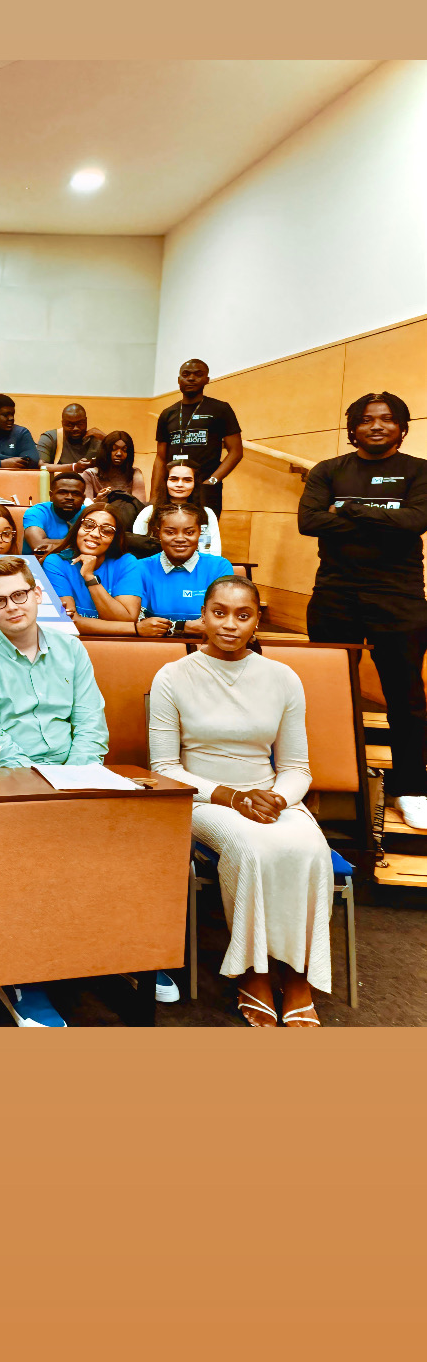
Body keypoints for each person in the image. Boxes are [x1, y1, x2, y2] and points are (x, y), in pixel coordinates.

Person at [149, 577, 333, 1025]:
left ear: (257, 622)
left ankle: (298, 976)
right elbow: (164, 768)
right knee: (252, 849)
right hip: (203, 799)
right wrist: (233, 797)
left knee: (311, 848)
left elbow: (297, 768)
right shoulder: (172, 676)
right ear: (203, 616)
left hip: (270, 796)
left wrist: (276, 799)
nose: (229, 624)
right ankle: (254, 972)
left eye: (242, 615)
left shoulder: (282, 677)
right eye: (219, 613)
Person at [0, 555, 110, 1026]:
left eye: (19, 594)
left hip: (72, 776)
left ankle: (123, 951)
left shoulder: (71, 649)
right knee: (29, 851)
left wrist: (73, 779)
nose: (12, 606)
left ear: (37, 594)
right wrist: (47, 787)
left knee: (129, 839)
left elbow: (92, 725)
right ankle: (23, 975)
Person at [300, 390, 427, 830]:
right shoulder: (329, 470)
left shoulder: (419, 471)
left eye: (387, 419)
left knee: (406, 699)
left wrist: (349, 509)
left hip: (400, 597)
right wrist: (384, 520)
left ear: (402, 427)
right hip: (336, 595)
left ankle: (411, 787)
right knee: (328, 694)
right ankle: (328, 779)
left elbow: (415, 521)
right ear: (353, 427)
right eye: (367, 419)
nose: (377, 426)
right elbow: (309, 521)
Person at [152, 358, 242, 515]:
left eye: (198, 374)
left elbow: (236, 451)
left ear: (207, 379)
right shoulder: (167, 414)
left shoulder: (220, 409)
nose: (191, 378)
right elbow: (160, 458)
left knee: (203, 530)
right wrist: (154, 496)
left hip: (205, 489)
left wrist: (212, 481)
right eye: (186, 374)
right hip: (173, 488)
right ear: (179, 380)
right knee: (170, 528)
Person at [133, 505, 233, 638]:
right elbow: (141, 622)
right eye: (170, 532)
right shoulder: (140, 567)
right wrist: (183, 627)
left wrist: (173, 627)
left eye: (189, 532)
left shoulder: (219, 567)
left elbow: (222, 620)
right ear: (158, 533)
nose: (180, 538)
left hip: (205, 645)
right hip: (154, 646)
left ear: (199, 533)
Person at [44, 501, 143, 629]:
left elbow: (127, 619)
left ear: (115, 538)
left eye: (106, 531)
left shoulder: (126, 563)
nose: (95, 534)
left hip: (117, 641)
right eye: (88, 525)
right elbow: (68, 621)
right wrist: (135, 629)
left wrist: (90, 577)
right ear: (77, 528)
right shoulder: (55, 562)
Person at [132, 458, 224, 557]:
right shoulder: (149, 512)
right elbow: (137, 548)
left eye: (187, 480)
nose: (180, 485)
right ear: (165, 482)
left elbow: (214, 553)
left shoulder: (207, 513)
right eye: (174, 479)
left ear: (195, 484)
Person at [20, 471, 88, 561]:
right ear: (51, 495)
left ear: (83, 498)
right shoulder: (37, 512)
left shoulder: (88, 513)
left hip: (77, 565)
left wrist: (53, 545)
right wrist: (81, 542)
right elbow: (39, 546)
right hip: (37, 565)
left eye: (76, 494)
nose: (69, 497)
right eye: (62, 492)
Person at [83, 430, 147, 521]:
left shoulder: (135, 473)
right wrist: (97, 501)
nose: (119, 454)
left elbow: (139, 507)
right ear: (105, 450)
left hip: (128, 521)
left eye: (124, 450)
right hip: (98, 520)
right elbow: (86, 508)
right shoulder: (89, 474)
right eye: (114, 449)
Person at [36, 403, 104, 472]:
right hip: (60, 478)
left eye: (80, 424)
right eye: (70, 425)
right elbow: (42, 465)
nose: (75, 428)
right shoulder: (51, 437)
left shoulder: (96, 439)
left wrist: (105, 438)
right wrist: (74, 467)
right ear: (63, 423)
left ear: (86, 421)